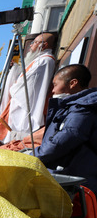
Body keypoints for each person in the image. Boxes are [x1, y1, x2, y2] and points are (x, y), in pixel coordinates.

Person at [34, 64, 97, 192]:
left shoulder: (83, 109)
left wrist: (32, 156)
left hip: (76, 182)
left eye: (55, 84)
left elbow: (64, 140)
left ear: (73, 83)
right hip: (70, 177)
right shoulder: (73, 107)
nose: (53, 90)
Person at [0, 32, 57, 145]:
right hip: (19, 106)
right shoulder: (39, 60)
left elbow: (27, 88)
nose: (31, 46)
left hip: (24, 109)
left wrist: (13, 87)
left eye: (34, 42)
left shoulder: (45, 61)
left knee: (15, 139)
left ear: (44, 45)